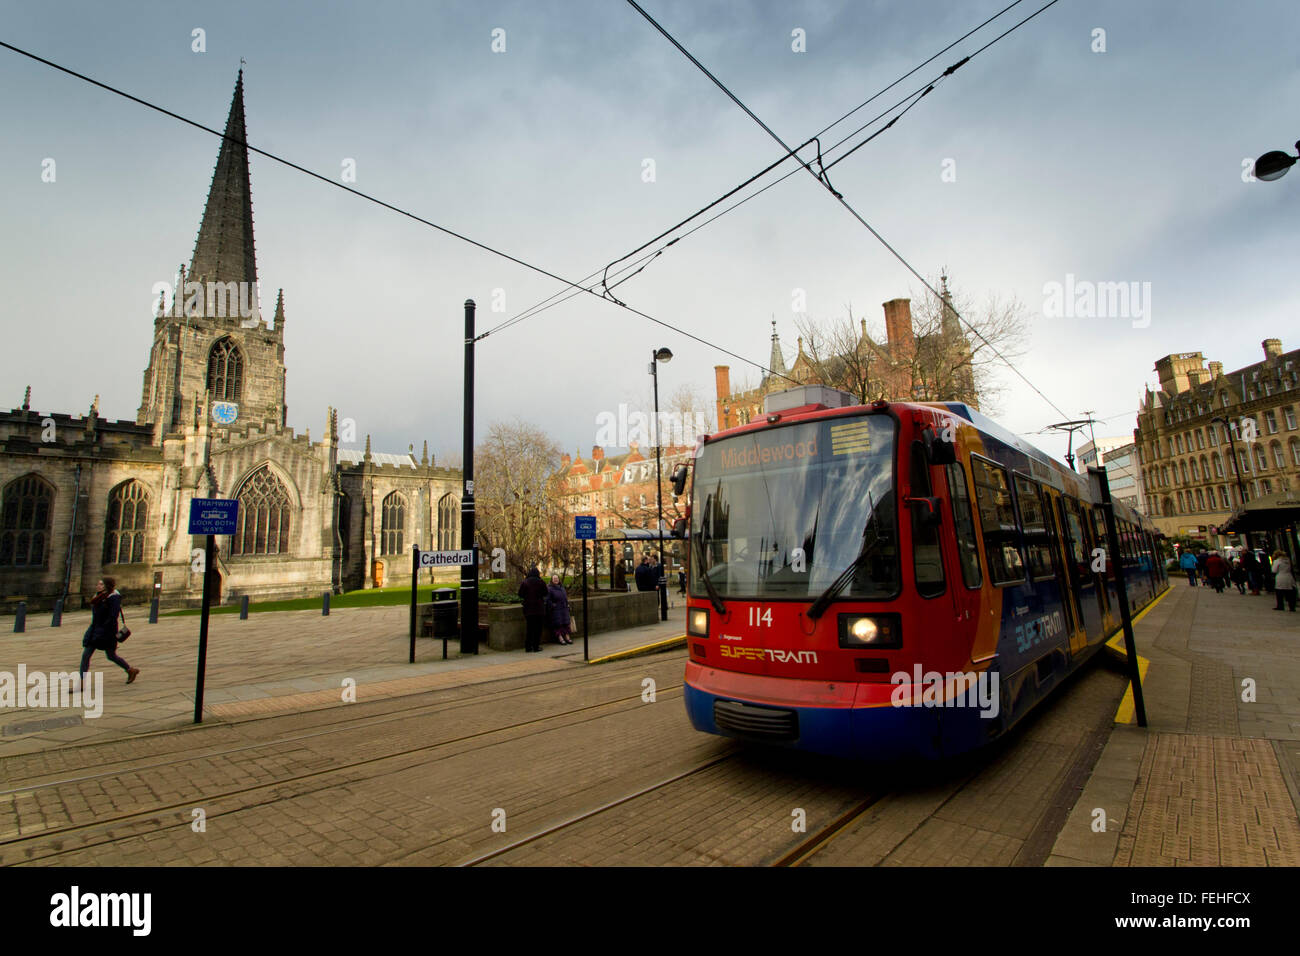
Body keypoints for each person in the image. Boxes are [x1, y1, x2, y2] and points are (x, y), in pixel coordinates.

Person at [80, 576, 139, 685]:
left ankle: (130, 670)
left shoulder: (113, 598)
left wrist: (103, 630)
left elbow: (113, 617)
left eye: (101, 584)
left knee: (111, 655)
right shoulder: (97, 597)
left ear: (107, 586)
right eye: (98, 584)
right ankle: (81, 682)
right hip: (95, 630)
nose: (98, 586)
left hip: (107, 632)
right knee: (86, 655)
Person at [517, 566, 548, 652]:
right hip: (539, 608)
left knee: (529, 628)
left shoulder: (525, 582)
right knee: (538, 629)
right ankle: (536, 646)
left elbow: (520, 594)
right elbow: (545, 593)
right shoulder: (541, 582)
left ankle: (528, 646)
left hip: (528, 608)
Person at [547, 574, 573, 645]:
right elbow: (548, 600)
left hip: (564, 608)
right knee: (558, 624)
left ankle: (567, 637)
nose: (556, 580)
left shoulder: (562, 588)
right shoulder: (550, 589)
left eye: (557, 578)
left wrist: (567, 604)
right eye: (554, 579)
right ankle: (560, 638)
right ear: (552, 580)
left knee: (566, 623)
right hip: (556, 610)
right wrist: (553, 605)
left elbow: (565, 598)